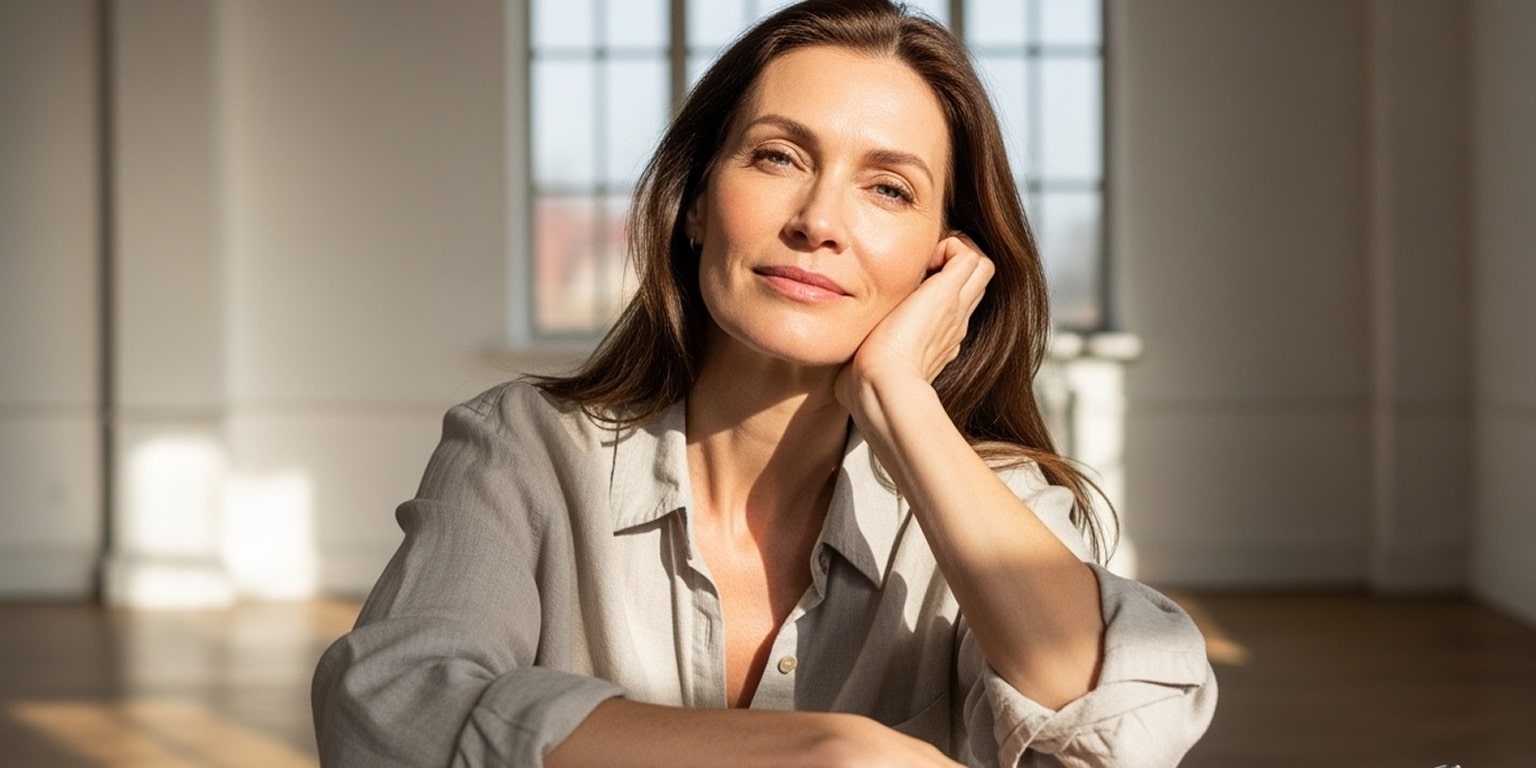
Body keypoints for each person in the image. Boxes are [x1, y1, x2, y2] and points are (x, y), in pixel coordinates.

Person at [311, 1, 1216, 766]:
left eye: (889, 190)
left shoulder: (992, 497)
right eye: (779, 156)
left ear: (946, 262)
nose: (819, 220)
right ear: (696, 204)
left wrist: (901, 398)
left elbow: (1123, 731)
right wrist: (824, 751)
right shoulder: (525, 446)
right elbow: (389, 708)